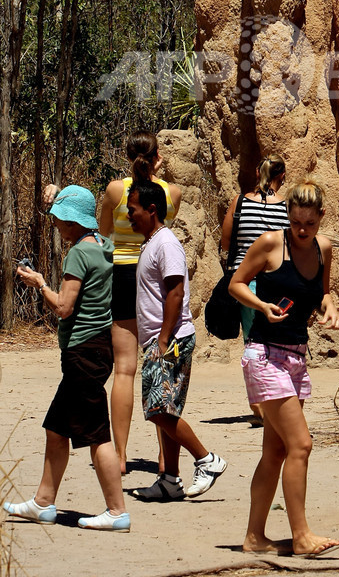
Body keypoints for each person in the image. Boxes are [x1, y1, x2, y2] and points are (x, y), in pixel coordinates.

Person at [44, 131, 182, 475]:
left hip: (121, 277)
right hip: (153, 274)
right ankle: (166, 458)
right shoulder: (171, 192)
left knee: (124, 368)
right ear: (157, 156)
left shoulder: (115, 191)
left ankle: (119, 455)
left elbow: (104, 235)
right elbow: (162, 227)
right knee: (159, 368)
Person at [3, 186, 130, 532]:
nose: (57, 224)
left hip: (83, 352)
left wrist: (39, 282)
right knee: (56, 430)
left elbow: (63, 307)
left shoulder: (77, 254)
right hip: (98, 347)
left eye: (60, 219)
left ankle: (117, 511)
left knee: (97, 435)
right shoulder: (104, 246)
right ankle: (43, 503)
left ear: (75, 220)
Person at [229, 178, 339, 558]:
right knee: (301, 444)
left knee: (276, 452)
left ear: (320, 218)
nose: (302, 231)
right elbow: (236, 284)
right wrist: (261, 306)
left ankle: (254, 538)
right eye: (296, 222)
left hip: (296, 357)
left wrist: (331, 308)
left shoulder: (325, 250)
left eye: (309, 224)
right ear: (288, 216)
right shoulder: (270, 243)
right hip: (264, 355)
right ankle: (301, 535)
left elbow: (324, 293)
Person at [126, 181, 226, 501]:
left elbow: (176, 292)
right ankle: (170, 480)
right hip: (163, 339)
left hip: (171, 341)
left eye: (133, 210)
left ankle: (207, 460)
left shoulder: (166, 243)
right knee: (166, 411)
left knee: (158, 411)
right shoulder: (152, 242)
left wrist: (163, 339)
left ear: (151, 210)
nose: (129, 217)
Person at [221, 154, 289, 343]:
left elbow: (226, 243)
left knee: (253, 342)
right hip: (277, 279)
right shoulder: (288, 207)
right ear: (282, 176)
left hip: (245, 282)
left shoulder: (239, 202)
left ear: (257, 172)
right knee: (277, 342)